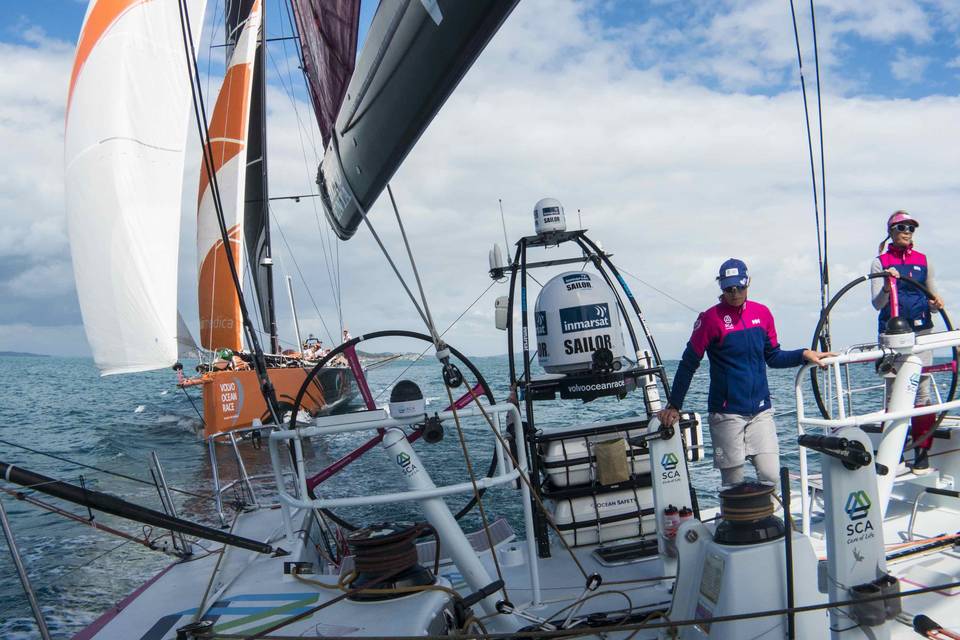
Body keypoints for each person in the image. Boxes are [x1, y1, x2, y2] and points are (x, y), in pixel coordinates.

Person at [658, 258, 832, 487]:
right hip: (726, 414)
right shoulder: (709, 319)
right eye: (729, 288)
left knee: (770, 477)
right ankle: (736, 521)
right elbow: (689, 363)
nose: (735, 293)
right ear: (721, 286)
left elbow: (773, 357)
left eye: (740, 286)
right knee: (733, 484)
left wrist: (804, 354)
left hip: (761, 413)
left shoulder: (763, 314)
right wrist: (674, 405)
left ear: (747, 282)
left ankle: (768, 522)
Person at [871, 211, 944, 474]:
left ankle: (922, 451)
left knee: (922, 393)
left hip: (921, 334)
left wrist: (936, 304)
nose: (907, 231)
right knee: (894, 394)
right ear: (891, 230)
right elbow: (877, 303)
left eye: (911, 228)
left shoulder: (924, 262)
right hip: (892, 337)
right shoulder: (880, 263)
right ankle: (895, 453)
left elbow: (934, 300)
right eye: (902, 227)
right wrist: (886, 283)